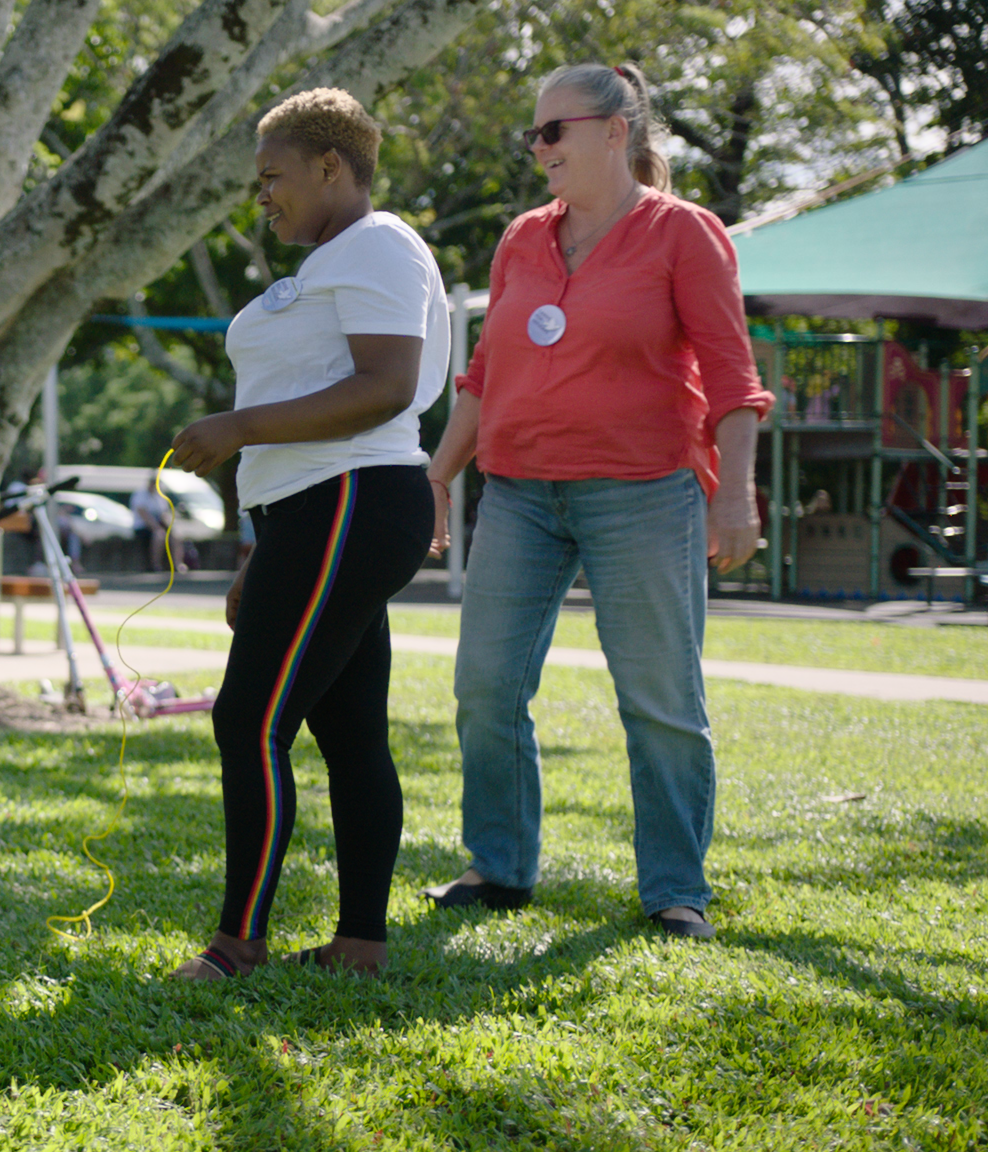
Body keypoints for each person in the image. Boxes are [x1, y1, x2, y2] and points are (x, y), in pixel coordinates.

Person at [419, 64, 772, 939]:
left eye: (553, 132)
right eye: (533, 136)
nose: (539, 150)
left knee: (659, 698)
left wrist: (737, 498)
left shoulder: (684, 234)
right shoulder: (520, 240)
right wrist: (436, 475)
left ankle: (675, 889)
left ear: (616, 132)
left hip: (643, 493)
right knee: (485, 687)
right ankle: (499, 868)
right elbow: (484, 373)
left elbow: (733, 377)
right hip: (520, 495)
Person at [166, 88, 447, 979]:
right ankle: (361, 943)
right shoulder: (331, 262)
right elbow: (318, 400)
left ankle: (235, 944)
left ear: (333, 167)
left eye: (274, 177)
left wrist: (237, 428)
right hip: (318, 513)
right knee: (350, 732)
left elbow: (384, 386)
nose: (265, 198)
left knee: (249, 720)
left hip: (356, 501)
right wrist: (264, 545)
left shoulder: (377, 244)